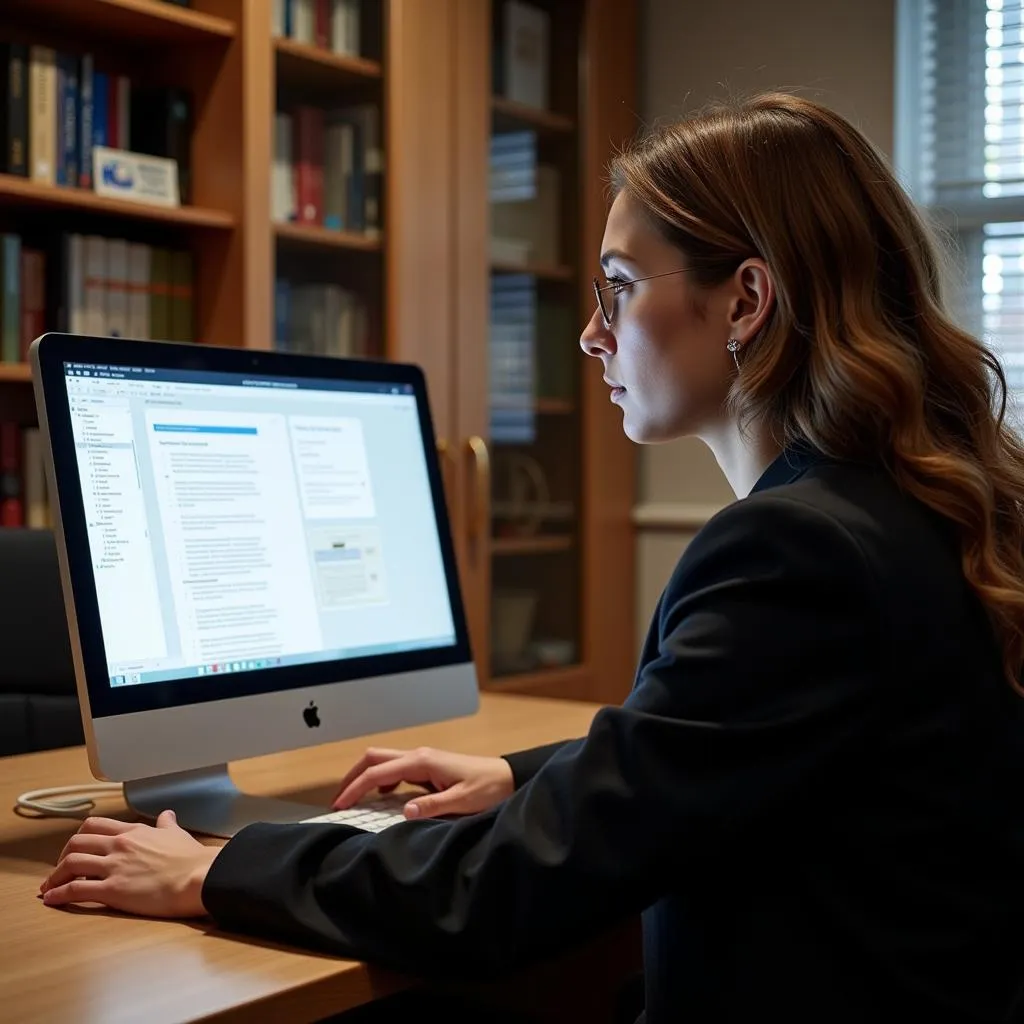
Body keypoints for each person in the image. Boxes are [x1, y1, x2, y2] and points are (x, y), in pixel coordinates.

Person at [38, 92, 1024, 1023]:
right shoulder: (918, 503)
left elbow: (502, 891)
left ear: (744, 302)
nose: (591, 334)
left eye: (619, 288)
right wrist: (525, 777)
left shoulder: (794, 550)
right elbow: (748, 742)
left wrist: (210, 872)